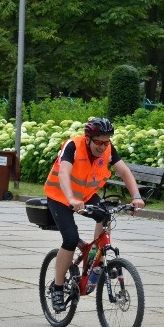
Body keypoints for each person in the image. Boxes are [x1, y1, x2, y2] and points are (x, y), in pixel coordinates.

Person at [44, 117, 145, 312]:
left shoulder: (107, 148)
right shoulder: (73, 145)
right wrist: (72, 199)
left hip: (85, 195)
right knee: (71, 239)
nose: (103, 146)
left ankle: (94, 256)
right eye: (98, 141)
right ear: (88, 138)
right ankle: (57, 288)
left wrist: (136, 197)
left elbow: (124, 172)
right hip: (60, 196)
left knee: (105, 213)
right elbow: (64, 172)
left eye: (106, 142)